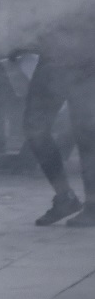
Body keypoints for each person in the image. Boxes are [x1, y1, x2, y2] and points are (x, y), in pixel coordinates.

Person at [23, 30, 95, 225]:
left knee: (86, 130)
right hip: (53, 59)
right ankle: (65, 197)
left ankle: (92, 204)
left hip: (86, 58)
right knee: (35, 128)